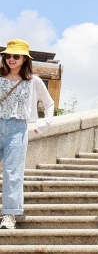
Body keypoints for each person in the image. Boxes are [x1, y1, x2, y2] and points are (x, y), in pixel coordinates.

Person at [0, 40, 55, 229]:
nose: (11, 59)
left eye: (16, 56)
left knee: (13, 173)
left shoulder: (34, 81)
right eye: (8, 55)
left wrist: (44, 125)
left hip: (18, 129)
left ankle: (9, 215)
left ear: (24, 58)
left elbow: (49, 103)